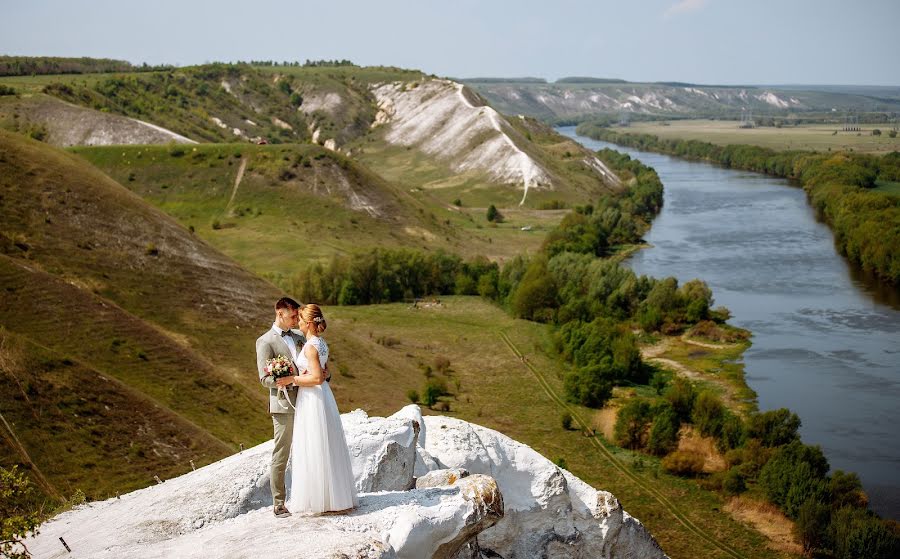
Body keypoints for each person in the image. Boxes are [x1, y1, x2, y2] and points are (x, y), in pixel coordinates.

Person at [255, 297, 329, 518]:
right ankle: (279, 503)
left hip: (309, 402)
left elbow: (316, 364)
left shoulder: (300, 337)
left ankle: (315, 497)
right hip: (283, 405)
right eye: (293, 316)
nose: (297, 319)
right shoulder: (265, 341)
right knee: (282, 453)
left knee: (312, 450)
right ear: (280, 313)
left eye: (298, 316)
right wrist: (287, 380)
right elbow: (263, 379)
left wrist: (324, 375)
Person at [286, 304, 358, 514]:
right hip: (323, 396)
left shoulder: (310, 346)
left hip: (312, 398)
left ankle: (320, 499)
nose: (297, 323)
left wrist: (293, 379)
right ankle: (333, 496)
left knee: (315, 443)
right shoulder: (321, 343)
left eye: (299, 320)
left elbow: (317, 377)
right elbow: (324, 373)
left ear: (308, 323)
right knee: (326, 443)